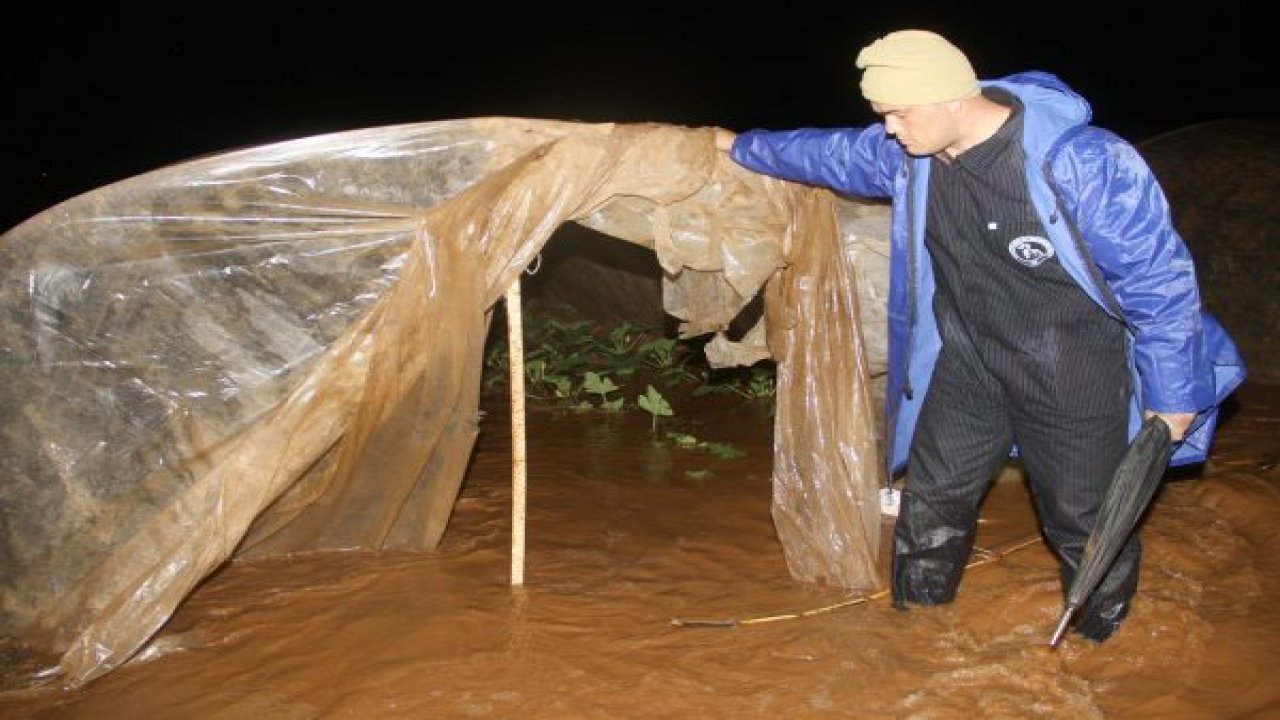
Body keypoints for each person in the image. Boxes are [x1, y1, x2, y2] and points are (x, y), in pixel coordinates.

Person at [716, 29, 1245, 642]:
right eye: (882, 114)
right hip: (970, 361)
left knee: (1083, 521)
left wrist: (1174, 395)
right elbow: (830, 154)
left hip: (1073, 370)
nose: (889, 128)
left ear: (950, 100)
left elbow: (1160, 281)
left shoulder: (1083, 162)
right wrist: (739, 147)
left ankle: (1102, 650)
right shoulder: (912, 155)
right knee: (931, 503)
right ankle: (915, 634)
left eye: (898, 112)